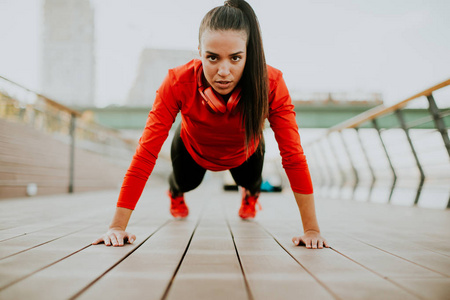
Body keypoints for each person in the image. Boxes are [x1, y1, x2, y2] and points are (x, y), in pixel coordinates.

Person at [93, 0, 329, 249]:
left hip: (245, 152)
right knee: (185, 182)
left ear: (248, 53)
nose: (224, 71)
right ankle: (176, 193)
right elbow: (146, 154)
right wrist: (117, 227)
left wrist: (311, 230)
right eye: (213, 58)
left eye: (236, 58)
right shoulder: (176, 82)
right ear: (199, 51)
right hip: (192, 151)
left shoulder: (271, 82)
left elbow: (293, 155)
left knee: (251, 181)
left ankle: (249, 195)